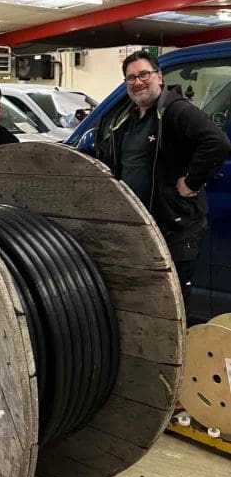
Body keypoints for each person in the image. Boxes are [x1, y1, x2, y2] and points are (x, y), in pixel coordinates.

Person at [98, 50, 231, 316]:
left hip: (173, 225)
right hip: (138, 225)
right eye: (131, 78)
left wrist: (192, 181)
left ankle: (176, 352)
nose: (138, 82)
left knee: (172, 298)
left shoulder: (176, 111)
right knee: (143, 295)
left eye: (144, 74)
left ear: (159, 76)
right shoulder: (127, 117)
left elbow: (217, 142)